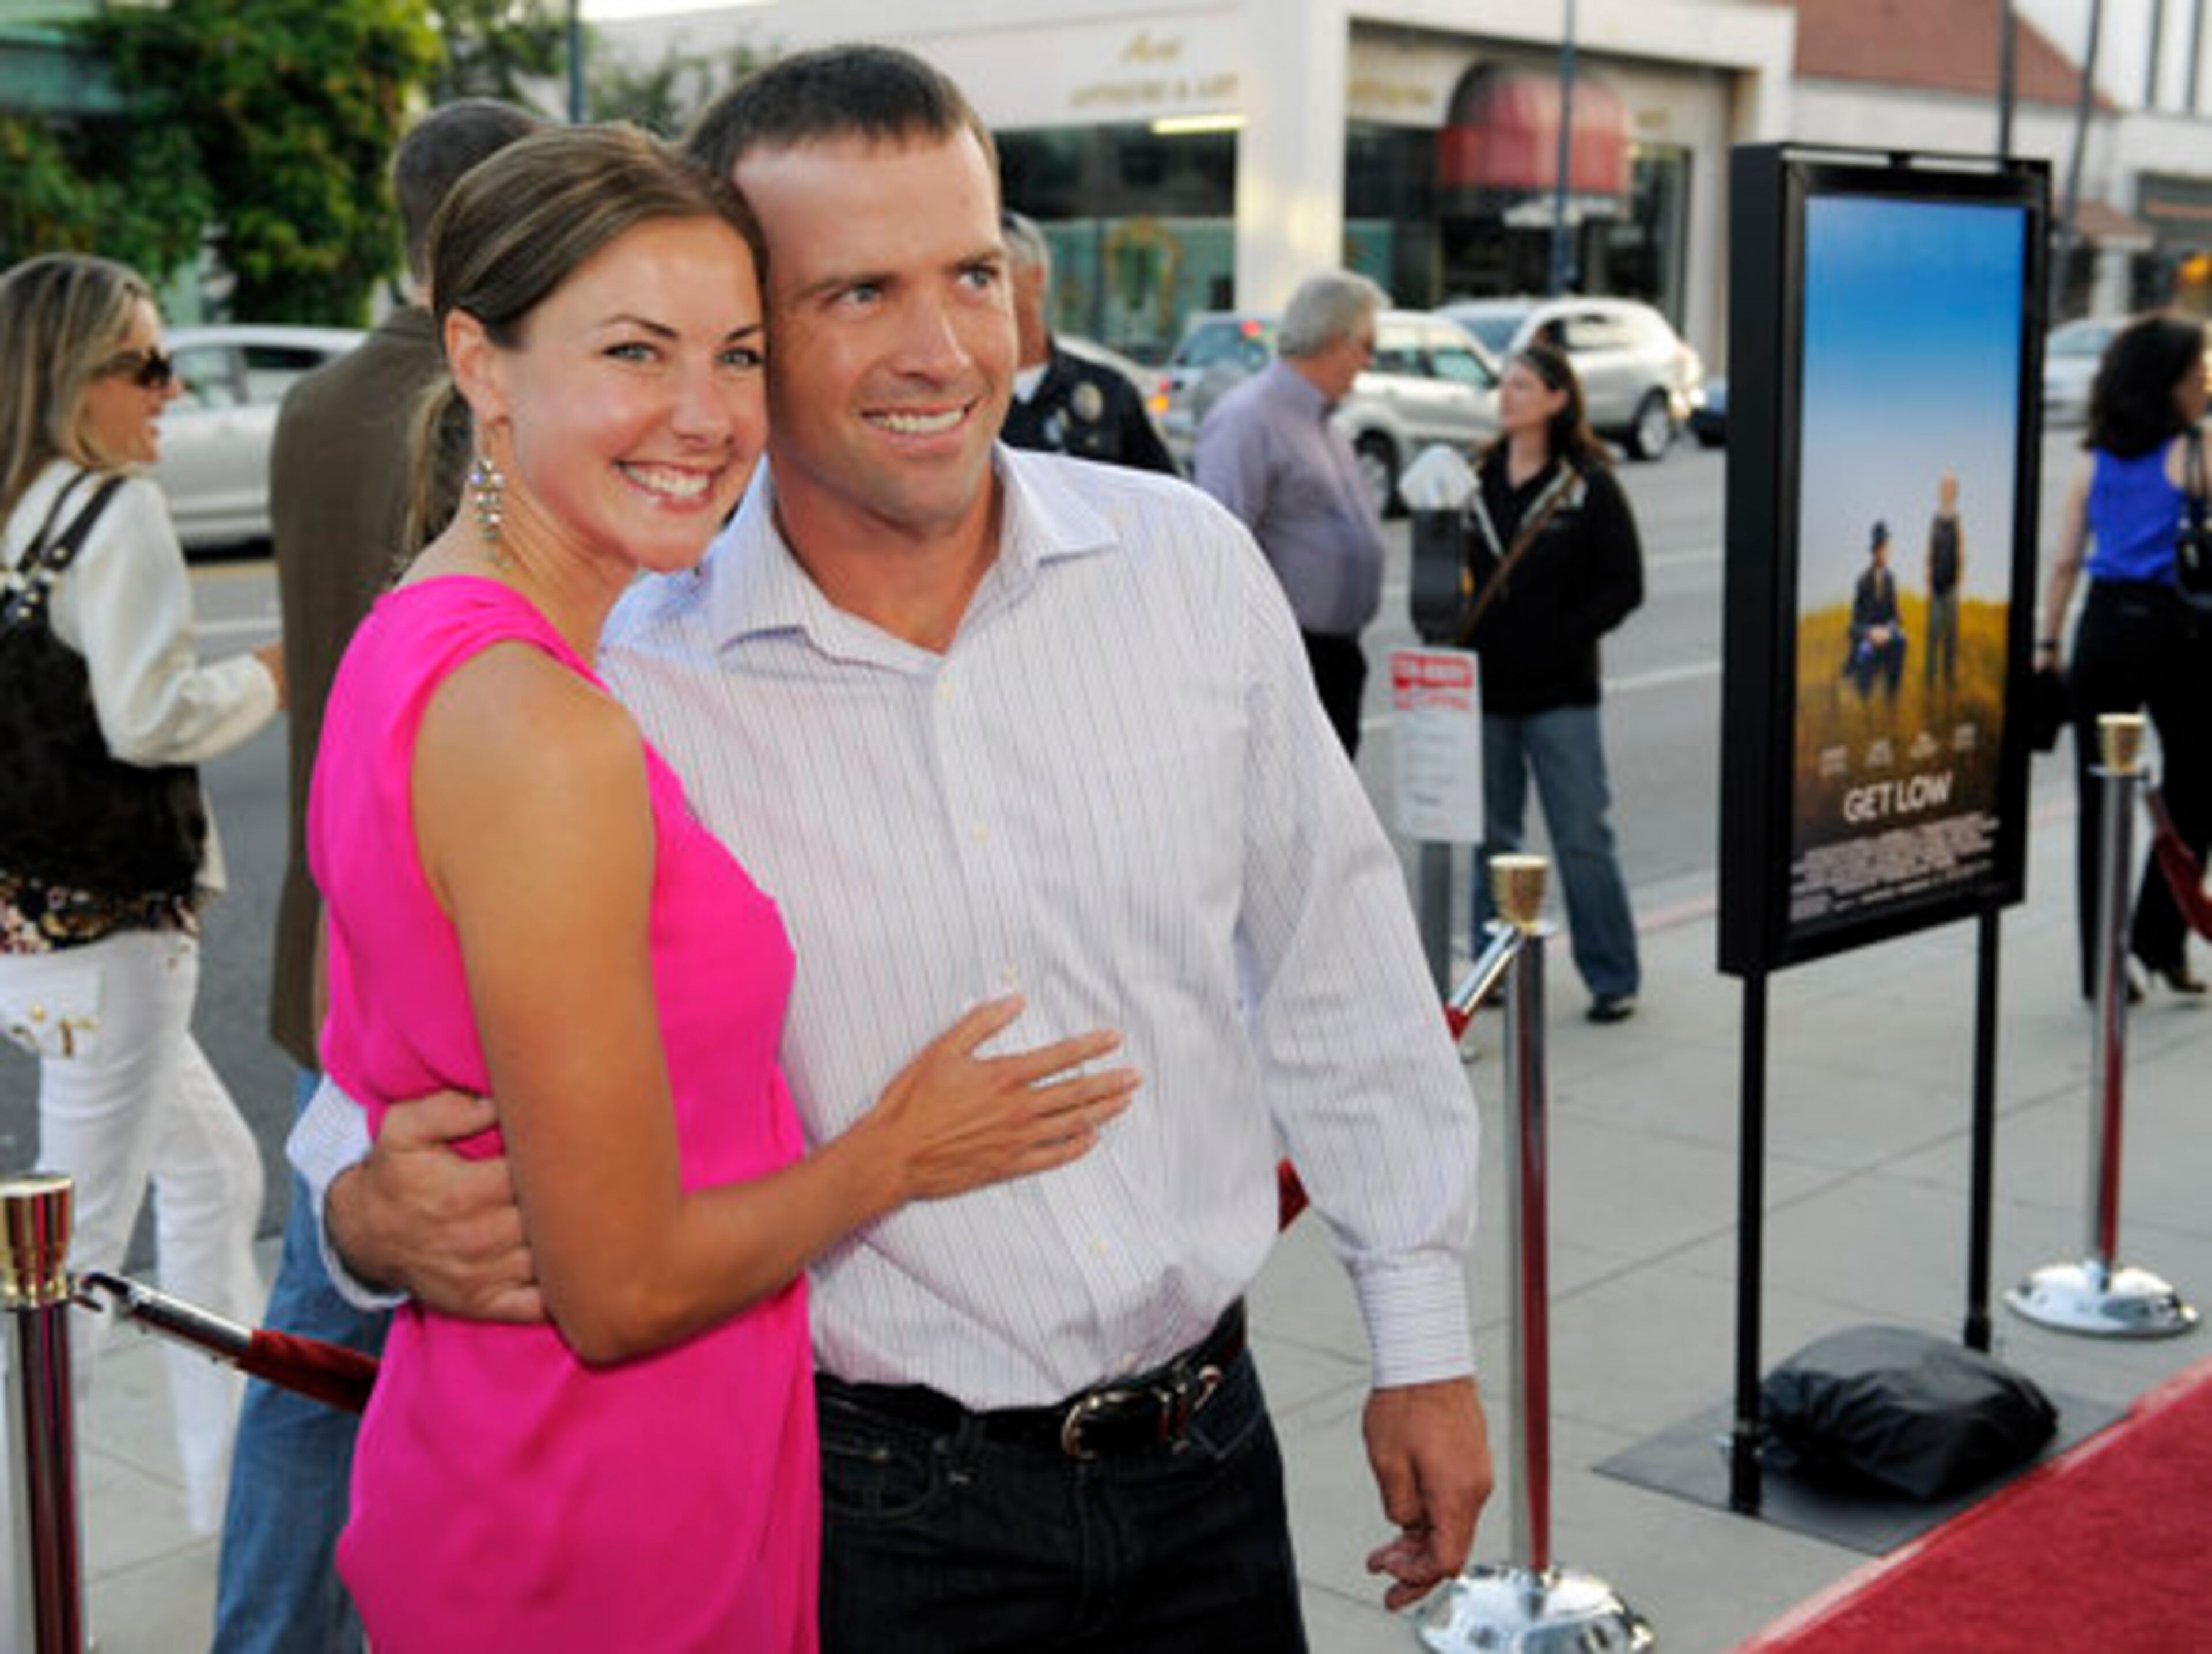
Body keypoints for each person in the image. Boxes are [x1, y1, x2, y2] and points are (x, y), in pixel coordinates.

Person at [297, 43, 1491, 1654]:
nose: (941, 348)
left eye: (973, 272)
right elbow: (403, 1058)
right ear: (757, 334)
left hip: (1210, 1457)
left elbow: (1340, 961)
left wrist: (1421, 1334)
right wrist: (363, 1222)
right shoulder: (621, 673)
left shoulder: (1186, 571)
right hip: (866, 1517)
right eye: (856, 293)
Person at [309, 121, 1138, 1652]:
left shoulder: (424, 639)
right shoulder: (536, 722)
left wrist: (366, 1210)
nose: (705, 417)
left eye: (741, 356)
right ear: (481, 361)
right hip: (602, 1523)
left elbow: (371, 1038)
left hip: (567, 1470)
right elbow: (619, 1289)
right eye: (636, 352)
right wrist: (899, 1151)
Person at [211, 96, 543, 1654]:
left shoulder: (319, 400)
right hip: (442, 970)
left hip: (318, 954)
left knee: (309, 1352)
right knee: (403, 1354)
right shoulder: (496, 409)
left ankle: (267, 1633)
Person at [0, 253, 282, 1534]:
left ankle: (225, 1496)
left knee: (218, 1172)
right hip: (114, 931)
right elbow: (152, 715)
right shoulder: (111, 514)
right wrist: (280, 670)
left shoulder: (17, 513)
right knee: (73, 1253)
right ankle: (25, 1563)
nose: (169, 389)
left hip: (29, 932)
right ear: (70, 380)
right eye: (144, 364)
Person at [1463, 339, 1643, 1025]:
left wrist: (1564, 635)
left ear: (1557, 400)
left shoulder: (1588, 483)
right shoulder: (1479, 477)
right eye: (1504, 385)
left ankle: (1612, 973)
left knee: (1581, 835)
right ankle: (1495, 970)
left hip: (1562, 694)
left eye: (1521, 386)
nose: (1506, 396)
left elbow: (1625, 583)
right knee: (1492, 837)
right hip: (1488, 693)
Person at [2039, 312, 2212, 1001]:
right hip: (2184, 634)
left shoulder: (2092, 459)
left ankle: (2103, 969)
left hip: (2105, 630)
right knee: (2199, 785)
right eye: (2196, 376)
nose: (2204, 387)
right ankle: (2157, 935)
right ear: (2166, 385)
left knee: (2096, 801)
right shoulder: (2197, 453)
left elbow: (2063, 562)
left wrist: (2048, 644)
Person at [1192, 270, 1391, 757]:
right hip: (1285, 662)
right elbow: (1219, 554)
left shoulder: (1328, 426)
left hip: (1338, 656)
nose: (1369, 361)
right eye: (1366, 344)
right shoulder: (1249, 419)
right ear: (1333, 338)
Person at [997, 208, 1179, 475]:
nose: (980, 291)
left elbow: (1164, 497)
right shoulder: (963, 401)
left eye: (992, 274)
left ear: (1037, 278)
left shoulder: (1109, 394)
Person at [1846, 520, 1907, 699]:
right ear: (1874, 551)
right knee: (1864, 652)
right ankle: (1862, 696)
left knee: (1901, 640)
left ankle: (1892, 699)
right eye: (1881, 548)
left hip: (1886, 636)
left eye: (1887, 548)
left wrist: (1888, 630)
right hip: (1868, 639)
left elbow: (1896, 616)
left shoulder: (1891, 580)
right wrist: (1870, 632)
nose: (1884, 553)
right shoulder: (1863, 581)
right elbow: (1853, 625)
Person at [1925, 471, 1963, 694]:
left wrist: (1960, 582)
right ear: (1941, 491)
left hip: (1951, 586)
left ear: (1955, 492)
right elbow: (1930, 554)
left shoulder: (1957, 519)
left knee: (1951, 637)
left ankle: (1948, 683)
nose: (1948, 491)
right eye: (1945, 487)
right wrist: (1928, 584)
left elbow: (1960, 551)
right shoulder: (1936, 519)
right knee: (1933, 635)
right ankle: (1930, 684)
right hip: (1936, 586)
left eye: (1951, 487)